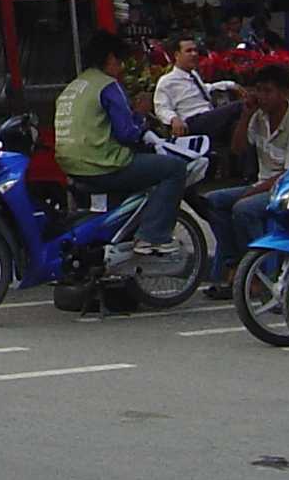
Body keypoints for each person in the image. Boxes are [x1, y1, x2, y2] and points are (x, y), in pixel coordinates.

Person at [51, 30, 189, 287]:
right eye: (120, 62)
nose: (121, 68)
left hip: (71, 165)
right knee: (174, 169)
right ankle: (153, 235)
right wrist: (139, 113)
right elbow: (127, 134)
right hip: (103, 164)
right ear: (110, 58)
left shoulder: (74, 87)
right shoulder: (107, 85)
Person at [204, 66, 289, 297]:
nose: (262, 97)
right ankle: (236, 263)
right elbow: (237, 148)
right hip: (261, 184)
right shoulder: (259, 117)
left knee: (244, 209)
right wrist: (245, 115)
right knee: (213, 201)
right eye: (259, 91)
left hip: (286, 189)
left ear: (284, 92)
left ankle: (258, 273)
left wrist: (253, 192)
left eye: (268, 91)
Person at [151, 37, 241, 151]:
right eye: (188, 51)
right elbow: (161, 107)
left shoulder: (193, 75)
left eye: (195, 50)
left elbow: (205, 89)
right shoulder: (167, 81)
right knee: (241, 106)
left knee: (240, 128)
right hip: (193, 122)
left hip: (209, 118)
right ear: (177, 55)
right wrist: (173, 119)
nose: (194, 54)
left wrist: (230, 85)